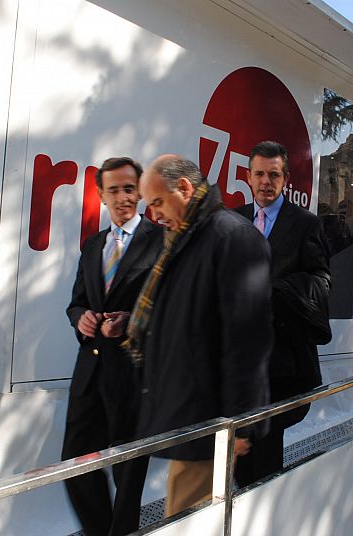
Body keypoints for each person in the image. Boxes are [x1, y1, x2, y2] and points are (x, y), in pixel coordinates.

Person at [126, 154, 272, 517]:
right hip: (190, 417)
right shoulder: (185, 239)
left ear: (185, 189)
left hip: (209, 423)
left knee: (188, 521)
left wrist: (239, 423)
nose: (154, 215)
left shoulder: (232, 238)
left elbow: (247, 341)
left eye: (158, 202)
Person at [63, 157, 163, 536]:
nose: (123, 197)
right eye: (114, 190)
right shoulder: (92, 246)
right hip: (88, 375)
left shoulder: (160, 242)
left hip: (133, 377)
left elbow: (170, 309)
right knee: (75, 465)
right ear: (101, 194)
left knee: (128, 474)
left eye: (129, 188)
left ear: (139, 191)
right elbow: (75, 303)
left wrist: (131, 323)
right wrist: (81, 319)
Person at [233, 140, 331, 487]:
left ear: (285, 178)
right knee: (238, 453)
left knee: (266, 452)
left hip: (281, 361)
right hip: (237, 362)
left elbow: (321, 280)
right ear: (247, 176)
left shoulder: (305, 224)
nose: (265, 182)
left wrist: (278, 288)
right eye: (259, 173)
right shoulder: (233, 220)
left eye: (273, 174)